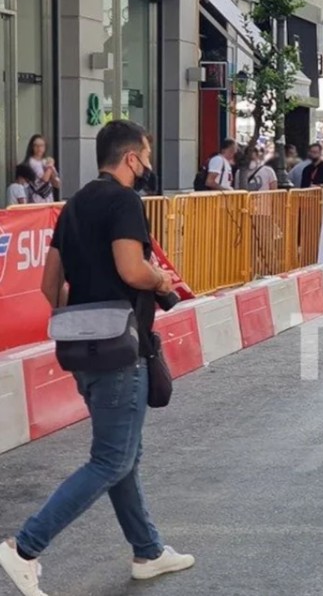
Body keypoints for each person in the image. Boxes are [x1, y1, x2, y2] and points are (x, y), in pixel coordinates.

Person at [0, 120, 195, 596]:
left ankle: (147, 551)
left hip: (82, 350)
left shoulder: (73, 205)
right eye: (145, 156)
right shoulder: (125, 202)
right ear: (131, 158)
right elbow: (131, 268)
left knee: (123, 455)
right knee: (110, 459)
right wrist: (160, 281)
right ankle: (24, 548)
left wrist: (81, 318)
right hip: (119, 349)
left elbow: (50, 287)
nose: (147, 165)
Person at [23, 134, 61, 204]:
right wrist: (50, 165)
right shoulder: (31, 162)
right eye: (36, 145)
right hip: (36, 199)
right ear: (32, 147)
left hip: (48, 198)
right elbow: (45, 179)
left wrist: (53, 175)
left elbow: (57, 184)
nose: (39, 148)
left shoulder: (45, 161)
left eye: (42, 145)